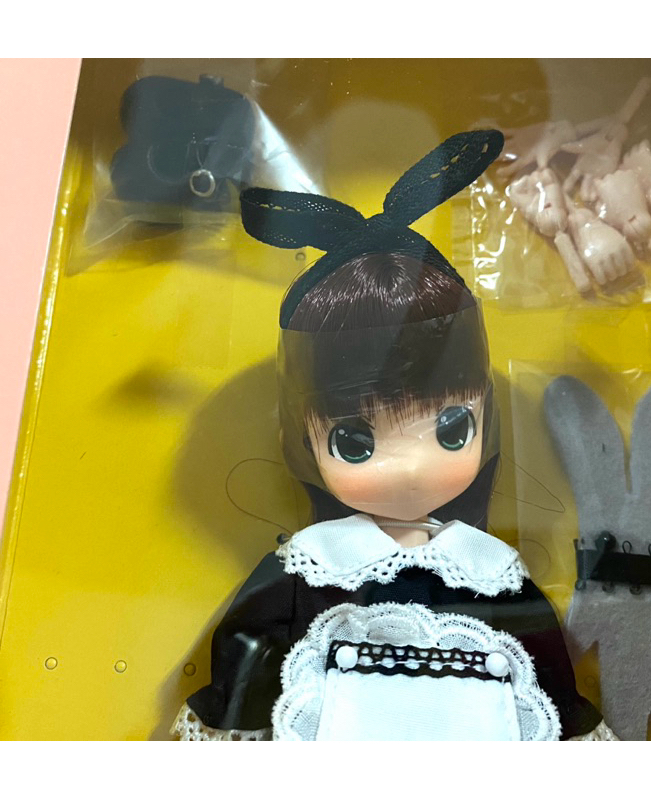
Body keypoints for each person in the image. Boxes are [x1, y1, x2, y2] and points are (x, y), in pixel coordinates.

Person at [171, 130, 610, 740]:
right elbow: (245, 674)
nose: (409, 467)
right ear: (304, 439)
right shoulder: (309, 571)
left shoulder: (489, 574)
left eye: (451, 428)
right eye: (355, 442)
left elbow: (548, 687)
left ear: (484, 413)